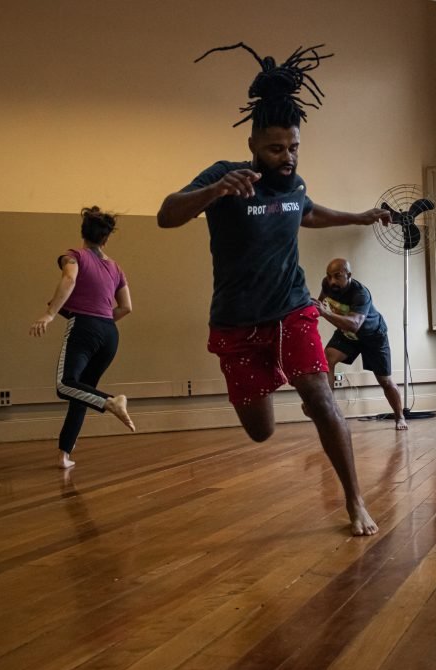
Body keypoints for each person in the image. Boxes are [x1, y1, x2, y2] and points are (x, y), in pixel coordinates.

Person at [156, 43, 389, 536]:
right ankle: (293, 386)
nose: (288, 157)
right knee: (260, 431)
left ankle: (354, 500)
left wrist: (359, 216)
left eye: (294, 147)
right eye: (276, 149)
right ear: (253, 144)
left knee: (321, 398)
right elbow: (166, 215)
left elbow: (309, 212)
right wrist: (215, 191)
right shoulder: (225, 176)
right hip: (236, 322)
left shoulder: (293, 185)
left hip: (291, 310)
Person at [30, 207, 136, 470]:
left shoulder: (73, 256)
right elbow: (126, 307)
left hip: (85, 327)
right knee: (82, 391)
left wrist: (49, 314)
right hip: (110, 334)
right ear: (106, 238)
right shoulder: (116, 268)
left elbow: (69, 278)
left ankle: (111, 401)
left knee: (64, 384)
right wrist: (102, 321)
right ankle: (64, 455)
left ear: (83, 233)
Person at [313, 258, 408, 430]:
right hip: (347, 335)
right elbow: (320, 305)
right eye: (329, 276)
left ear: (348, 275)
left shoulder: (361, 293)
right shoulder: (327, 284)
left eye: (337, 276)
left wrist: (325, 313)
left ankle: (400, 417)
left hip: (373, 336)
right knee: (327, 358)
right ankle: (328, 407)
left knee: (385, 381)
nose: (332, 281)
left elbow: (354, 324)